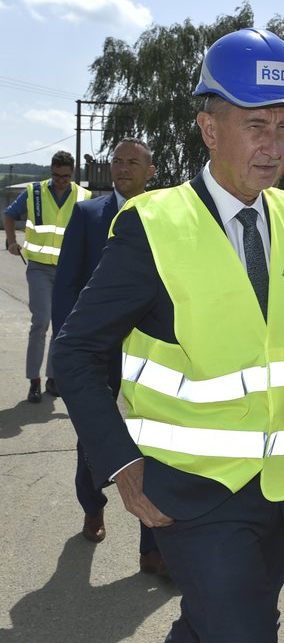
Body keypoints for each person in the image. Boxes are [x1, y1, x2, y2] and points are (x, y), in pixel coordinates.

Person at [53, 28, 284, 642]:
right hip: (195, 493)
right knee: (248, 630)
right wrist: (119, 462)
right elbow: (76, 349)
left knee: (211, 625)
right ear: (210, 130)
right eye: (255, 125)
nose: (273, 145)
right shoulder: (151, 226)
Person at [50, 137, 167, 576]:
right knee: (92, 439)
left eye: (132, 162)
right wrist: (66, 352)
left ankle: (151, 546)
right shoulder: (87, 214)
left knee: (153, 441)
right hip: (98, 353)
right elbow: (67, 285)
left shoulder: (165, 214)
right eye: (116, 161)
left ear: (150, 172)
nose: (122, 168)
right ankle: (93, 505)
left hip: (151, 356)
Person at [4, 150, 90, 402]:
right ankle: (34, 381)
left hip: (68, 269)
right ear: (50, 171)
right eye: (56, 175)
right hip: (39, 268)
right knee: (41, 321)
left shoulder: (83, 196)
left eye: (65, 176)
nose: (60, 180)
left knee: (62, 326)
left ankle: (54, 378)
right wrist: (11, 241)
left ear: (72, 174)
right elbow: (9, 214)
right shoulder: (34, 192)